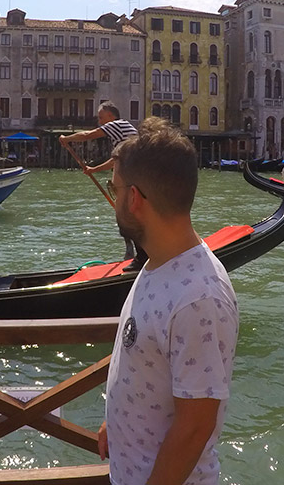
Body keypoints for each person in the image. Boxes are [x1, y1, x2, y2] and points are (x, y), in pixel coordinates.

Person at [97, 116, 238, 485]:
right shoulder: (158, 263)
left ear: (135, 199)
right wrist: (115, 420)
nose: (113, 201)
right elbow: (145, 354)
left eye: (115, 190)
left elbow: (195, 426)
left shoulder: (198, 298)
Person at [59, 101, 145, 270]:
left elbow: (87, 135)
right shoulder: (123, 134)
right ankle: (137, 252)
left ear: (110, 116)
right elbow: (115, 160)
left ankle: (139, 256)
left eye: (101, 117)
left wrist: (66, 138)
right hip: (137, 174)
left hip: (132, 175)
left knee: (126, 215)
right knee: (128, 214)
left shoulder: (117, 124)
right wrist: (93, 170)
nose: (99, 121)